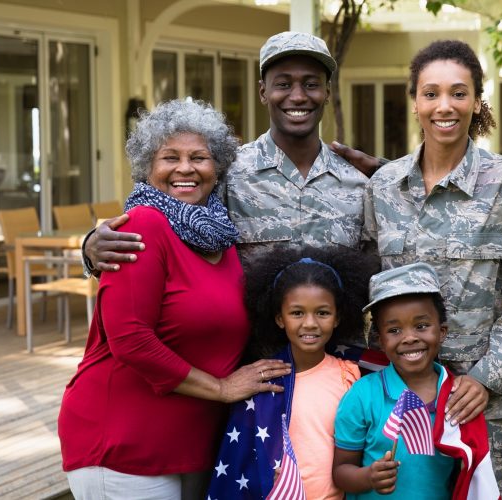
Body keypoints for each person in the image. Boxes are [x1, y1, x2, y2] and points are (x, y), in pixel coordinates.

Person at [57, 99, 291, 499]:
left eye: (199, 157)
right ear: (148, 168)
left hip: (194, 445)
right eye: (170, 157)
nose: (185, 168)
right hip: (123, 442)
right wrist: (220, 389)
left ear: (216, 168)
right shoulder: (144, 225)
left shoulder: (222, 237)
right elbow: (130, 338)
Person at [360, 40, 502, 497]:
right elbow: (362, 285)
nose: (444, 106)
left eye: (459, 93)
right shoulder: (384, 186)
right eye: (431, 93)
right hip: (394, 392)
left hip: (476, 397)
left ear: (477, 101)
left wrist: (485, 378)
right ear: (415, 102)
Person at [83, 31, 369, 272]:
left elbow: (383, 268)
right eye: (283, 84)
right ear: (262, 92)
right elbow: (159, 219)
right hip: (252, 340)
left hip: (342, 341)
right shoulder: (225, 171)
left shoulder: (359, 182)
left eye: (311, 84)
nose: (297, 96)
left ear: (327, 92)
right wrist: (90, 248)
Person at [206, 246, 379, 499]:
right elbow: (244, 458)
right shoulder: (261, 381)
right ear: (279, 318)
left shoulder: (350, 374)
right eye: (297, 313)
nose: (310, 323)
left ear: (338, 317)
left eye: (322, 312)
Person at [333, 262, 499, 500]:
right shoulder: (362, 395)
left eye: (421, 326)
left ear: (441, 331)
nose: (409, 338)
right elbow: (340, 471)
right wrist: (368, 477)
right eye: (394, 330)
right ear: (380, 340)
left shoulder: (457, 397)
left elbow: (468, 476)